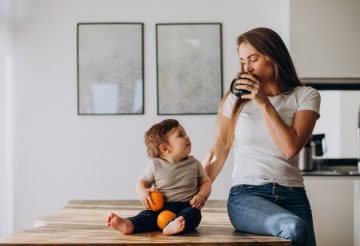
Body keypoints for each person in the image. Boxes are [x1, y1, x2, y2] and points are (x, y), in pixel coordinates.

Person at [203, 27, 320, 246]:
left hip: (294, 195)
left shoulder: (305, 96)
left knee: (299, 231)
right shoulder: (234, 100)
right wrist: (190, 193)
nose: (247, 68)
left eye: (253, 59)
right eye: (243, 61)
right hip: (247, 196)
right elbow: (217, 153)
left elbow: (290, 148)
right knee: (295, 227)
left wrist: (263, 101)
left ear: (273, 56)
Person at [108, 119, 212, 236]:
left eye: (185, 134)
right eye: (181, 135)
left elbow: (206, 181)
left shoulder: (194, 163)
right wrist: (142, 191)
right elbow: (142, 181)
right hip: (160, 208)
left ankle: (173, 225)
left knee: (194, 214)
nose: (187, 137)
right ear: (165, 148)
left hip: (186, 206)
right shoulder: (155, 165)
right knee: (146, 216)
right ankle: (129, 224)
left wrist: (202, 195)